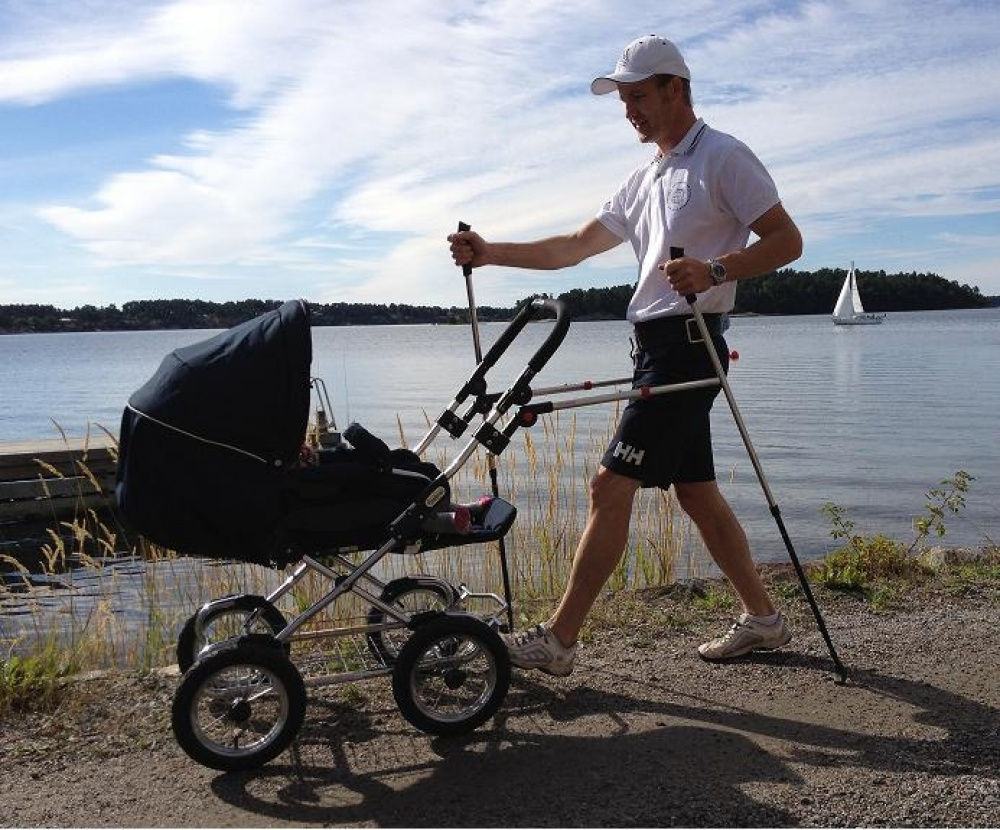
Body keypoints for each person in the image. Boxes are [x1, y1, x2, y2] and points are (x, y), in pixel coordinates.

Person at [447, 34, 803, 676]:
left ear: (677, 89)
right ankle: (764, 620)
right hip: (653, 347)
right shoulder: (645, 178)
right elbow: (575, 246)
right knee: (695, 492)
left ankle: (559, 639)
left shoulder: (724, 157)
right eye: (623, 99)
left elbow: (787, 239)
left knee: (609, 485)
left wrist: (718, 266)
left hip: (689, 346)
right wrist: (492, 250)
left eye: (639, 96)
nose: (630, 111)